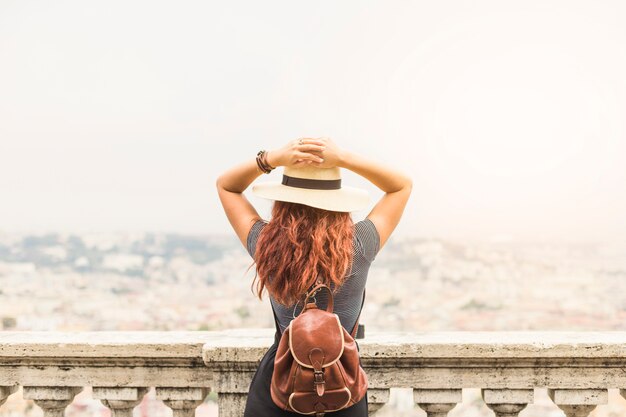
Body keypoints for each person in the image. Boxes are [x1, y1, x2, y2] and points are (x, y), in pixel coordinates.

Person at [216, 137, 412, 416]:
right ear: (339, 202)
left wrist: (272, 158)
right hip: (342, 382)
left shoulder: (266, 245)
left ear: (282, 202)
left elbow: (226, 186)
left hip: (279, 384)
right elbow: (401, 185)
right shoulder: (358, 245)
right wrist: (342, 158)